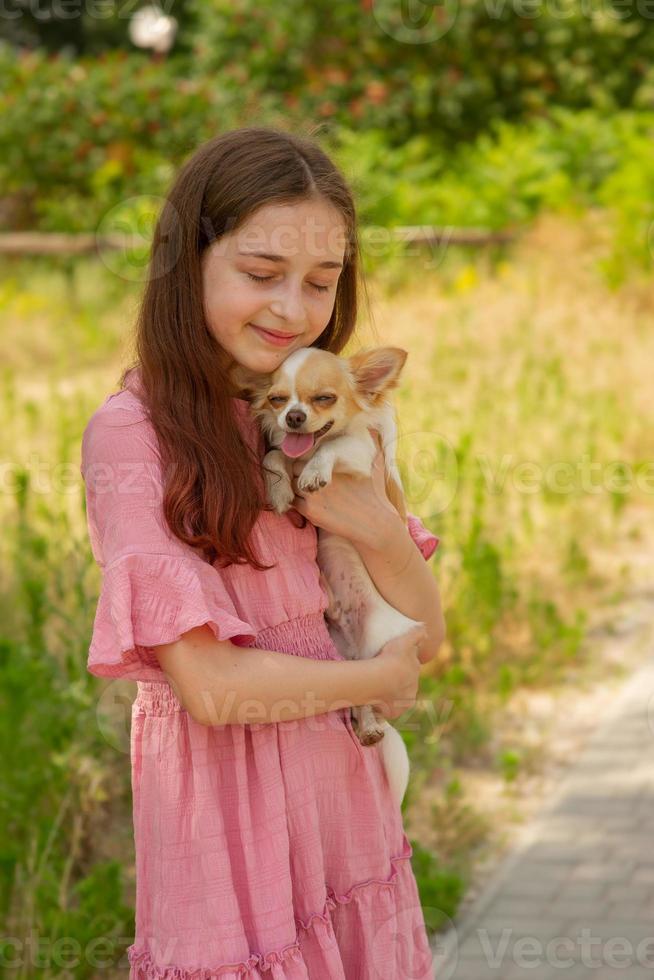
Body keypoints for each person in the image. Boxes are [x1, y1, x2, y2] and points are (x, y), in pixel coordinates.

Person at [81, 125, 446, 979]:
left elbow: (424, 633)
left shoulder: (321, 422)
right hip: (226, 822)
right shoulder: (134, 438)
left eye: (322, 282)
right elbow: (211, 688)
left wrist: (378, 522)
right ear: (185, 264)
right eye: (260, 275)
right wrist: (379, 683)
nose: (293, 309)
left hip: (346, 816)